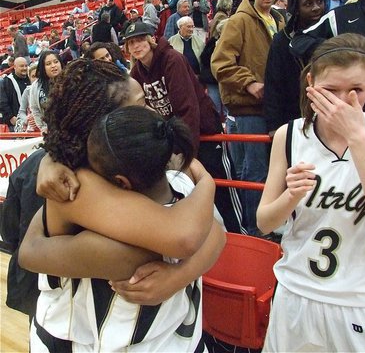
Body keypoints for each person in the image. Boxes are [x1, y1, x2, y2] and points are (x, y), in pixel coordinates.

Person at [1, 59, 219, 326]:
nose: (153, 112)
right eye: (141, 104)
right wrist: (207, 182)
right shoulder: (78, 186)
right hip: (69, 336)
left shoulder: (150, 165)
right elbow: (182, 237)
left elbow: (215, 232)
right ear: (109, 123)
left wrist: (180, 275)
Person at [19, 103, 225, 352]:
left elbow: (28, 252)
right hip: (183, 341)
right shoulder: (185, 185)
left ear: (120, 182)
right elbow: (216, 233)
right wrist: (206, 180)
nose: (147, 108)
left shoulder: (82, 197)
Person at [257, 33, 365, 352]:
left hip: (362, 300)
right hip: (297, 292)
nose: (341, 102)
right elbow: (264, 223)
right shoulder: (289, 135)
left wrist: (358, 141)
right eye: (330, 91)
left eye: (356, 91)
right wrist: (290, 197)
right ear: (310, 82)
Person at [125, 21, 246, 234]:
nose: (137, 46)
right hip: (176, 141)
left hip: (205, 133)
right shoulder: (136, 73)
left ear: (151, 39)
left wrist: (187, 152)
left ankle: (242, 234)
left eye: (141, 39)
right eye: (131, 42)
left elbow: (188, 109)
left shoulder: (172, 59)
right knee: (195, 194)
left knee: (223, 188)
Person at [211, 0, 285, 236]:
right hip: (248, 110)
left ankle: (268, 224)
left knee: (272, 171)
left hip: (273, 108)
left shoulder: (278, 19)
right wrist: (250, 82)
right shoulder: (238, 22)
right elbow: (219, 63)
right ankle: (255, 230)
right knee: (255, 172)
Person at [264, 0, 326, 136]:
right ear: (296, 9)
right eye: (308, 4)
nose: (316, 7)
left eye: (320, 1)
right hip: (292, 118)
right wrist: (274, 126)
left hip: (328, 115)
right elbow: (273, 84)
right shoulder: (282, 40)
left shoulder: (333, 33)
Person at [29, 50, 63, 132]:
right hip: (50, 131)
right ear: (43, 68)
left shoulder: (71, 81)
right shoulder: (36, 86)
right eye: (48, 64)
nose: (53, 66)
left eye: (56, 62)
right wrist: (42, 127)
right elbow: (35, 109)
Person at [0, 57, 30, 131]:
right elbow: (3, 102)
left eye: (26, 66)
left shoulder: (30, 79)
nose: (24, 68)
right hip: (15, 123)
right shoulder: (7, 82)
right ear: (15, 67)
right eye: (22, 66)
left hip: (31, 122)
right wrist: (10, 117)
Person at [15, 62, 40, 132]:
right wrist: (27, 119)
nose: (36, 79)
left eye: (38, 76)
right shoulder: (27, 91)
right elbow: (21, 112)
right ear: (29, 78)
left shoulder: (51, 90)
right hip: (31, 129)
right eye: (33, 76)